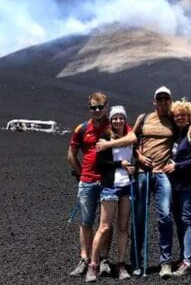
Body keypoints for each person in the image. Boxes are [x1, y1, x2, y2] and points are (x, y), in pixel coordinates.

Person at [96, 86, 191, 279]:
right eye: (159, 99)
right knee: (138, 219)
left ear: (169, 101)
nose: (162, 102)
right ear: (154, 101)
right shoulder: (143, 118)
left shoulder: (173, 119)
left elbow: (186, 128)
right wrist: (138, 156)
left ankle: (165, 263)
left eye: (166, 99)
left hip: (163, 175)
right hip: (143, 174)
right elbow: (131, 139)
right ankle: (136, 262)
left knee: (165, 217)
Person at [86, 105, 136, 282]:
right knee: (105, 227)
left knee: (123, 227)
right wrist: (119, 164)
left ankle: (121, 264)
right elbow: (99, 164)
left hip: (127, 187)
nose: (118, 121)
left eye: (121, 117)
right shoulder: (104, 138)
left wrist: (132, 168)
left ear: (125, 119)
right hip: (110, 186)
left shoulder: (130, 138)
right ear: (111, 120)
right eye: (115, 118)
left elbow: (133, 158)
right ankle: (93, 265)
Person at [67, 92, 112, 277]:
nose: (97, 110)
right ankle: (84, 259)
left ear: (106, 107)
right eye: (93, 107)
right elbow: (71, 154)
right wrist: (80, 174)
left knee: (105, 223)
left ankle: (104, 259)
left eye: (100, 107)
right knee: (86, 222)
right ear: (89, 107)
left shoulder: (114, 126)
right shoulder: (82, 128)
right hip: (87, 181)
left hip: (108, 181)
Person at [163, 98, 191, 277]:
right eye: (177, 115)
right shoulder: (176, 134)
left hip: (189, 184)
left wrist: (177, 166)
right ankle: (183, 258)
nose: (180, 118)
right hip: (174, 185)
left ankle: (187, 261)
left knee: (187, 220)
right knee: (179, 221)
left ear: (189, 117)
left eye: (183, 115)